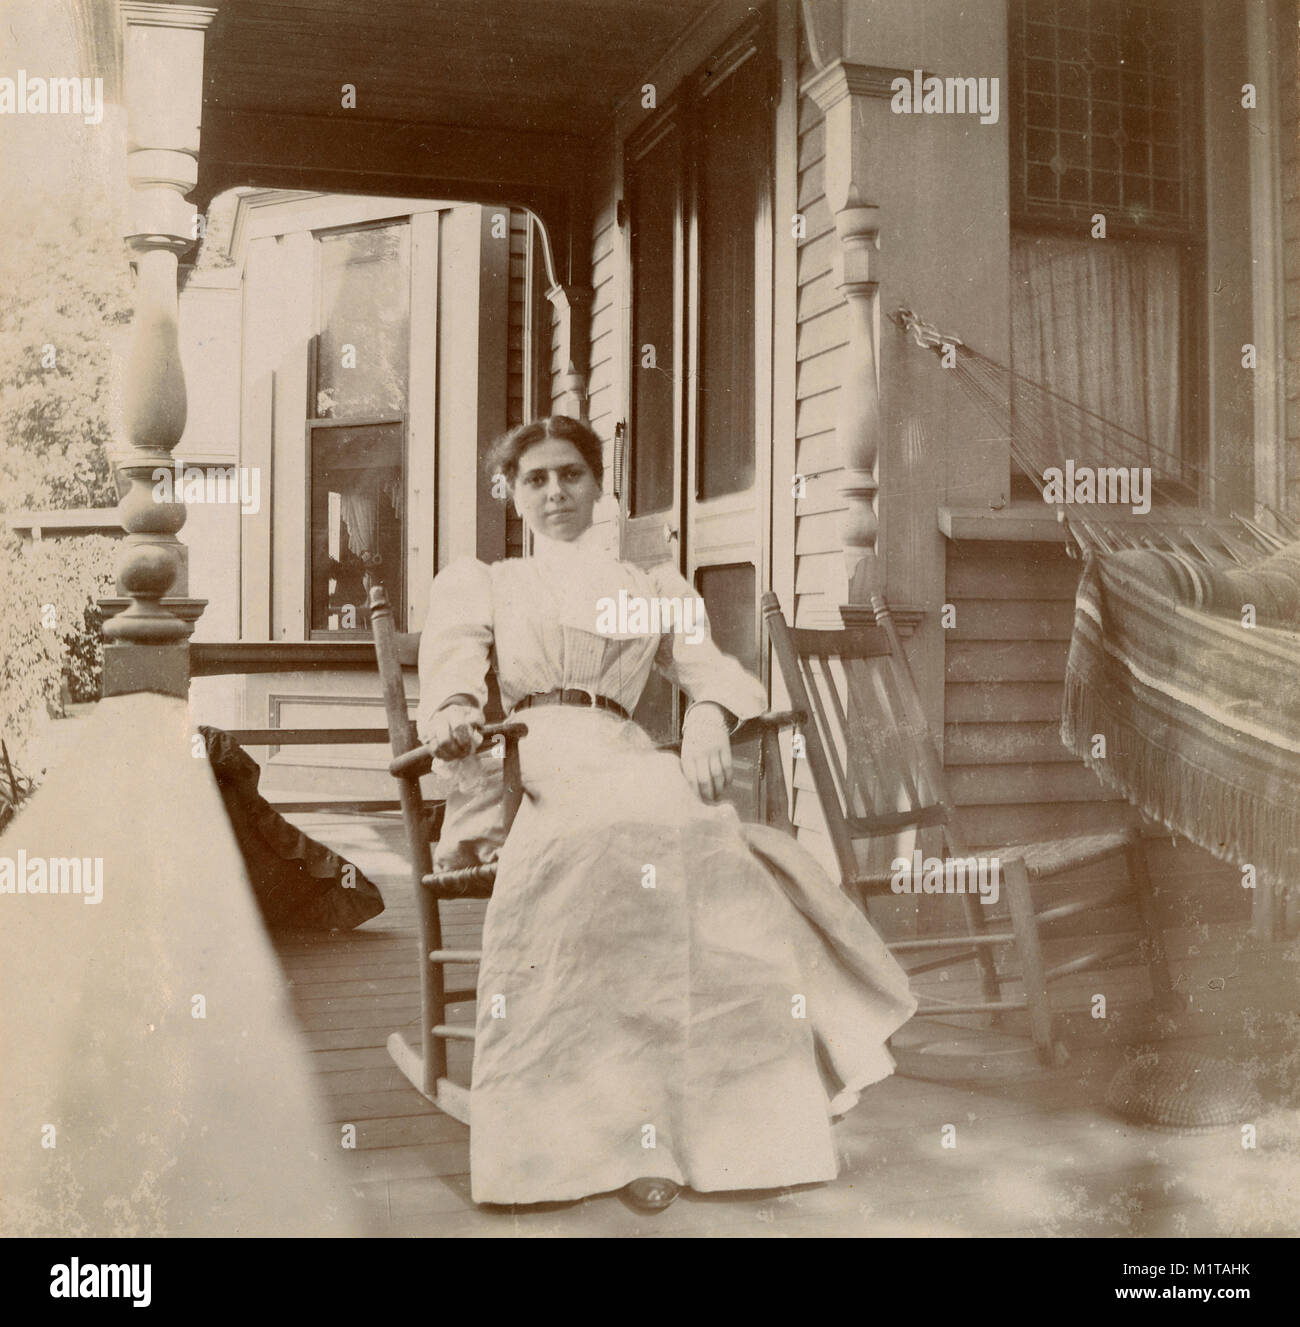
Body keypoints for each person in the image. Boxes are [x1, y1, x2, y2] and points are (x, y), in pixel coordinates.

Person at [417, 415, 916, 1211]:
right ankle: (577, 1133)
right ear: (511, 494)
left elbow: (709, 668)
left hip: (623, 746)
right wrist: (448, 710)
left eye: (571, 474)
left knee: (717, 844)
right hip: (533, 749)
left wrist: (710, 714)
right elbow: (450, 670)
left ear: (599, 483)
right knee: (609, 839)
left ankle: (728, 1126)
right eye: (536, 478)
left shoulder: (650, 587)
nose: (556, 492)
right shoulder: (486, 581)